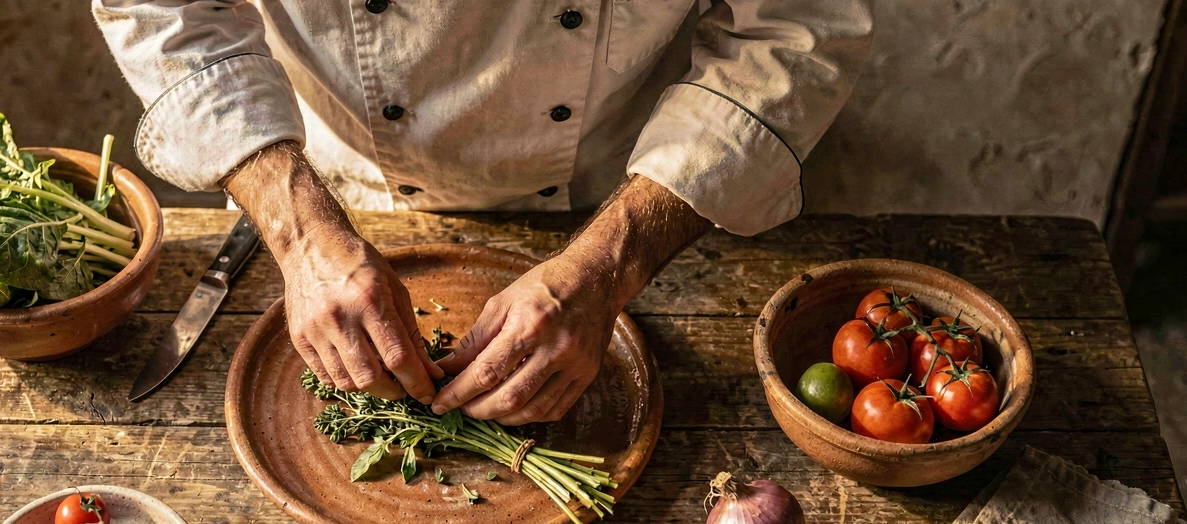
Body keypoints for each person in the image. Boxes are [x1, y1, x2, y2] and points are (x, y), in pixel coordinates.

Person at [95, 0, 873, 425]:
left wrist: (609, 261)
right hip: (339, 181)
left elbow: (798, 28)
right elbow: (162, 11)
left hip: (625, 179)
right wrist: (299, 232)